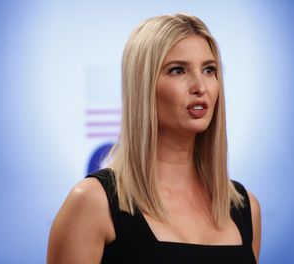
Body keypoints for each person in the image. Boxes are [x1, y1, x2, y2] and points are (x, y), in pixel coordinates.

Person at [47, 13, 261, 264]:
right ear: (143, 85)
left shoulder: (245, 208)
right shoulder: (93, 202)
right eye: (178, 70)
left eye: (209, 69)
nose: (200, 86)